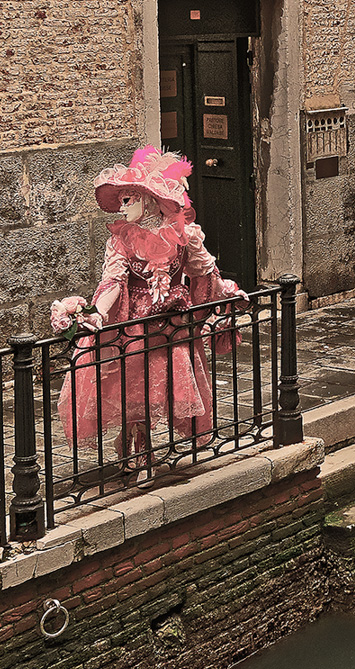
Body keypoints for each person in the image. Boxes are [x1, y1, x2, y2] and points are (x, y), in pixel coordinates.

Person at [56, 147, 244, 470]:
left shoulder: (185, 235)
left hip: (171, 326)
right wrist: (98, 312)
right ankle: (137, 444)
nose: (122, 206)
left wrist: (223, 294)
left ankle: (144, 444)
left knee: (164, 386)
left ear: (148, 201)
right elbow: (113, 280)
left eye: (128, 199)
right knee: (134, 385)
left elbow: (204, 271)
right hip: (135, 326)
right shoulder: (122, 239)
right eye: (123, 200)